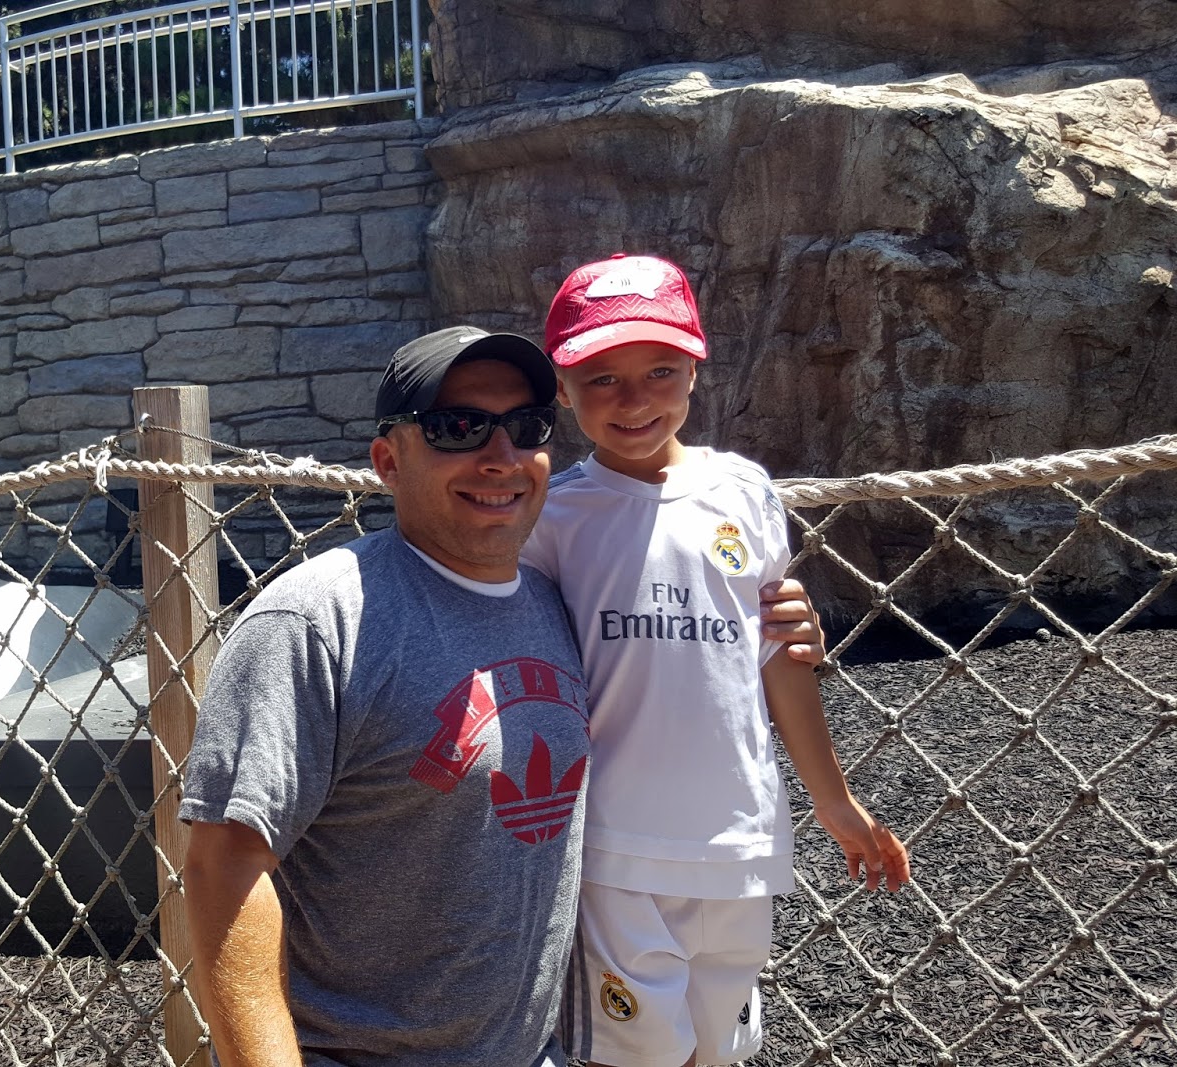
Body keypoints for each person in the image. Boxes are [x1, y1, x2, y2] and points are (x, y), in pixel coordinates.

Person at [179, 326, 827, 1067]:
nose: (501, 456)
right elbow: (225, 864)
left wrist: (778, 622)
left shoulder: (555, 603)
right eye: (457, 427)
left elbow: (679, 646)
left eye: (526, 426)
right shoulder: (317, 620)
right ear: (388, 460)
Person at [521, 254, 912, 1067]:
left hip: (738, 838)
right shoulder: (552, 516)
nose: (634, 400)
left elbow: (778, 656)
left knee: (717, 1051)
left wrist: (833, 800)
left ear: (696, 367)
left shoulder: (745, 490)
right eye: (602, 378)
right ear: (562, 387)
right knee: (632, 1057)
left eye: (660, 371)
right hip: (613, 846)